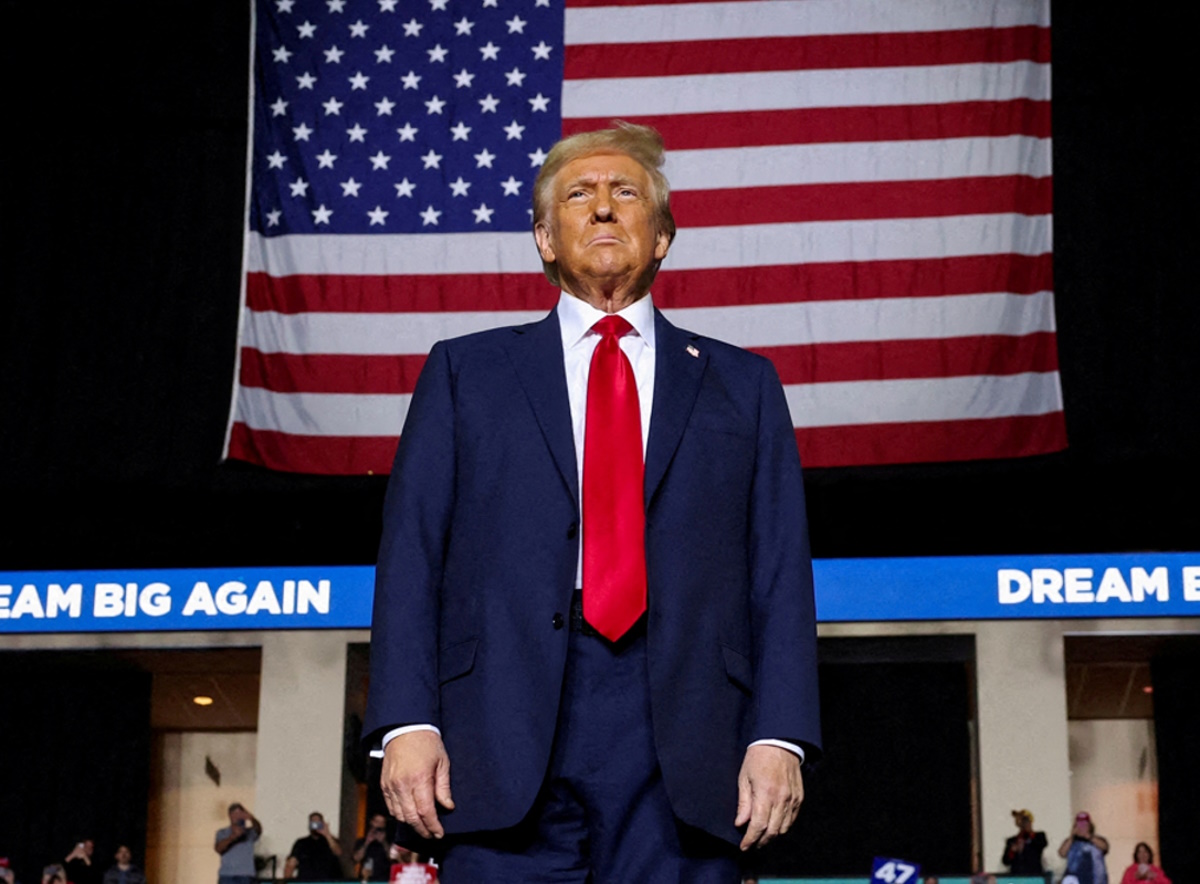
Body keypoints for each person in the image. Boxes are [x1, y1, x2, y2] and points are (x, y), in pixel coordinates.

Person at [364, 121, 822, 883]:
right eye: (579, 195)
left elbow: (779, 573)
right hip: (499, 724)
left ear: (664, 236)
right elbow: (412, 553)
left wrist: (779, 736)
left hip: (684, 729)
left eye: (626, 193)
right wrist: (408, 722)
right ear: (545, 239)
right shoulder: (463, 373)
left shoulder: (745, 387)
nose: (603, 207)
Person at [283, 812, 343, 881]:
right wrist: (287, 880)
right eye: (313, 823)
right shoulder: (301, 843)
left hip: (328, 880)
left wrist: (327, 834)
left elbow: (338, 852)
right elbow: (291, 864)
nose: (315, 825)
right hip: (307, 880)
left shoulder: (331, 841)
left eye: (318, 823)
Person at [214, 802, 263, 884]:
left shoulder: (249, 832)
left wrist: (251, 817)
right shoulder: (223, 832)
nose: (238, 817)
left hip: (246, 874)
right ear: (230, 815)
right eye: (235, 814)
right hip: (227, 875)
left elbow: (258, 830)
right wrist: (232, 837)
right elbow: (218, 849)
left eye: (240, 813)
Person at [1059, 811, 1109, 884]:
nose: (1082, 827)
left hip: (1094, 879)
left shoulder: (1096, 840)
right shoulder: (1071, 842)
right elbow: (1062, 853)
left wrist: (1089, 837)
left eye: (1085, 825)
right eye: (1080, 824)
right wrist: (1072, 836)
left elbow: (1104, 847)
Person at [1002, 808, 1048, 875]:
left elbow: (1042, 844)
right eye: (1022, 821)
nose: (1024, 824)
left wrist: (1029, 832)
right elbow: (1005, 861)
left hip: (1034, 876)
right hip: (1017, 876)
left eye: (1026, 821)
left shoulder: (1039, 836)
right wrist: (1012, 851)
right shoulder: (1012, 841)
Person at [352, 813, 392, 881]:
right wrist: (367, 843)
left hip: (384, 879)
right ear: (371, 822)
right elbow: (356, 859)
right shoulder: (362, 841)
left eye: (381, 822)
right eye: (377, 821)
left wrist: (384, 842)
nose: (379, 824)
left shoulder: (388, 841)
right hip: (366, 879)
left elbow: (393, 858)